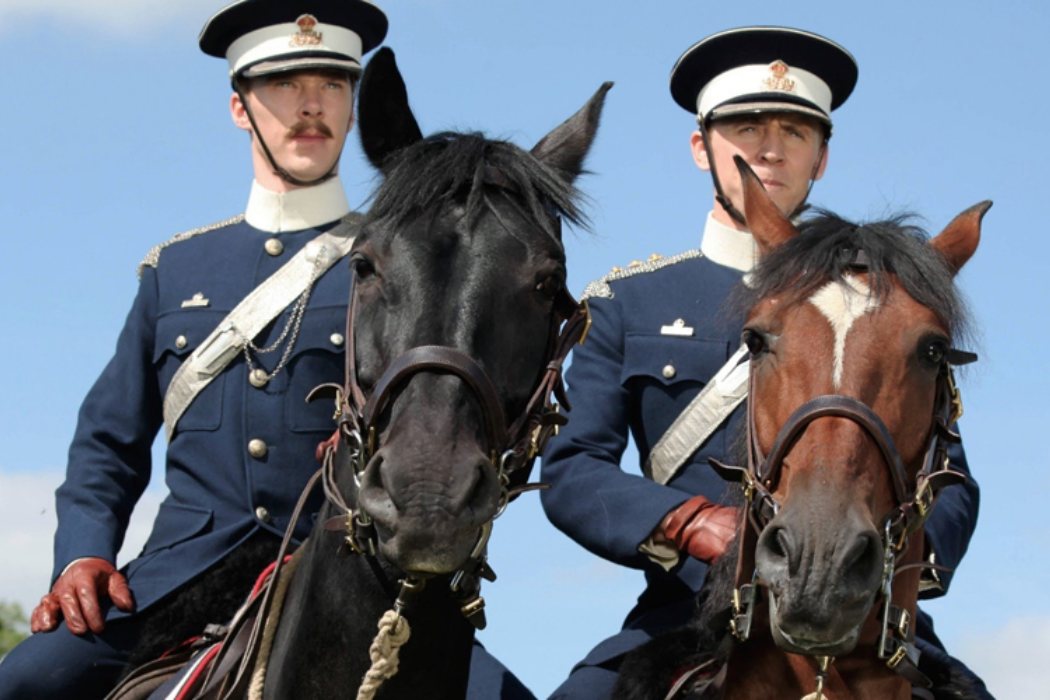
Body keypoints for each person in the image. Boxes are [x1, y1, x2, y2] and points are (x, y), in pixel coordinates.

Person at [0, 2, 530, 698]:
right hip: (179, 580)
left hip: (352, 572)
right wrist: (83, 556)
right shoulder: (177, 271)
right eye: (285, 86)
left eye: (334, 86)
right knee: (27, 683)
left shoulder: (405, 258)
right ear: (240, 108)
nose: (312, 106)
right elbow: (108, 442)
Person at [540, 26, 985, 698]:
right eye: (744, 127)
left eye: (794, 131)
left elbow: (950, 477)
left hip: (871, 614)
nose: (769, 147)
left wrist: (889, 560)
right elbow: (574, 470)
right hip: (682, 617)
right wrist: (688, 522)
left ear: (822, 158)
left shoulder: (883, 303)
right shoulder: (629, 301)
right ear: (701, 148)